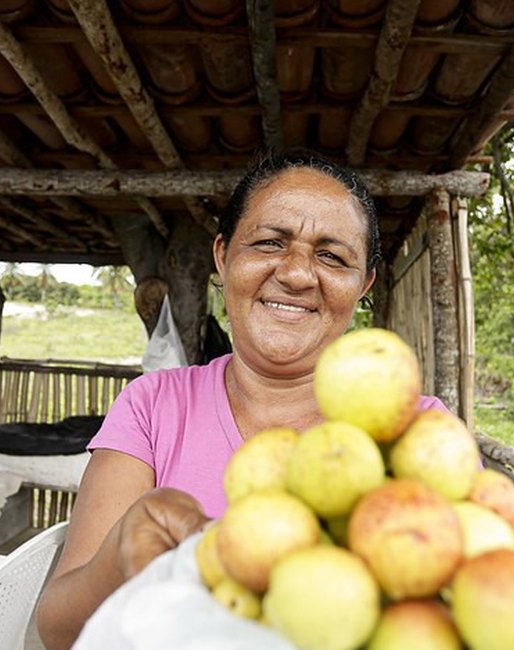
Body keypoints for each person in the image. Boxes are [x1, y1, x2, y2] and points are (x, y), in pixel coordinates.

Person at [35, 151, 448, 650]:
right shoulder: (154, 406)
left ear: (363, 285)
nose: (297, 274)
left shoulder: (416, 432)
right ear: (223, 256)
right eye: (270, 242)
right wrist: (120, 554)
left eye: (332, 256)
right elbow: (57, 631)